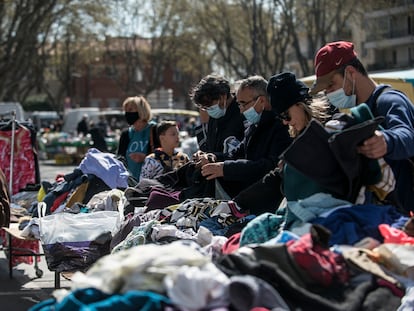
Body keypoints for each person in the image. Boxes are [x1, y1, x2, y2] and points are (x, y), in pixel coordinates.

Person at [310, 40, 414, 214]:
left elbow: (407, 136)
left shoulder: (389, 100)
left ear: (350, 72)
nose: (328, 94)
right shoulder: (357, 115)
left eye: (330, 85)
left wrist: (386, 141)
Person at [199, 75, 292, 198]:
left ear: (262, 101)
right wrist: (214, 157)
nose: (241, 111)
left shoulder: (281, 127)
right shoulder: (253, 127)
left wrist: (225, 169)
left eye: (244, 104)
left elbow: (270, 166)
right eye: (239, 105)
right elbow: (237, 153)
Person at [189, 74, 245, 156]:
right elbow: (210, 147)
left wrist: (215, 157)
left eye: (208, 104)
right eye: (204, 107)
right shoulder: (215, 117)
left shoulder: (242, 112)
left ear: (223, 97)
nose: (207, 109)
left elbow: (241, 153)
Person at [117, 96, 159, 180]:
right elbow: (120, 158)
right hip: (129, 182)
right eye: (126, 111)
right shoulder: (126, 134)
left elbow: (161, 154)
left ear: (141, 110)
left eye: (130, 110)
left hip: (150, 181)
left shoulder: (154, 130)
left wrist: (145, 158)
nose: (127, 113)